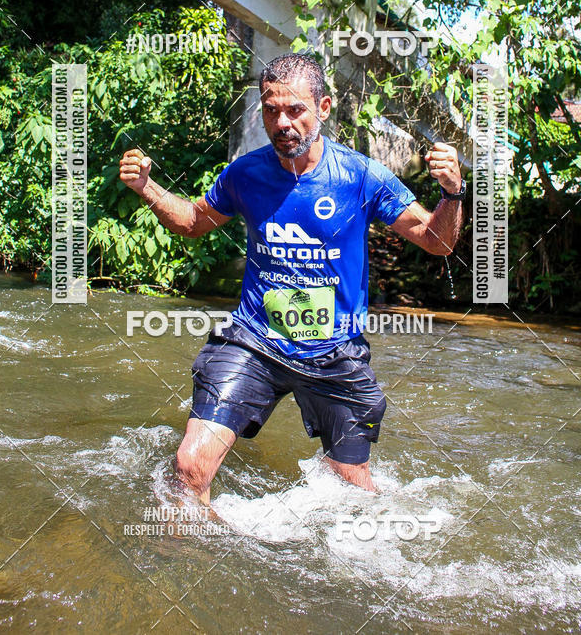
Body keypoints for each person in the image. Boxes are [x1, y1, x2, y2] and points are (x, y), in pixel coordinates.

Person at [119, 53, 464, 503]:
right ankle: (199, 562)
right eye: (271, 109)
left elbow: (437, 241)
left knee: (353, 492)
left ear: (322, 108)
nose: (282, 122)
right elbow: (191, 222)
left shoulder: (358, 176)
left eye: (295, 110)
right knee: (189, 467)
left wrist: (451, 192)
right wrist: (147, 187)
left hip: (334, 348)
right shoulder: (246, 173)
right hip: (255, 338)